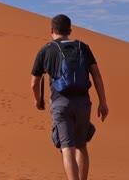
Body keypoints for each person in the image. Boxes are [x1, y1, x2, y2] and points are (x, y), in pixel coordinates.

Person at [30, 14, 109, 180]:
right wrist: (103, 102)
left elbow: (34, 83)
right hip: (83, 103)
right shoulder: (83, 47)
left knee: (67, 148)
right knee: (81, 146)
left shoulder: (46, 50)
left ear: (51, 30)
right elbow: (97, 76)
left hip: (60, 103)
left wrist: (38, 100)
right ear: (70, 30)